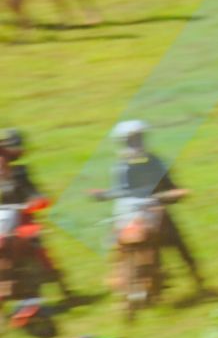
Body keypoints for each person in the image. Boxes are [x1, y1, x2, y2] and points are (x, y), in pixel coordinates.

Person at [95, 120, 205, 294]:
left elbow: (170, 185)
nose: (135, 143)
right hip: (128, 212)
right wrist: (103, 194)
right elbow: (118, 190)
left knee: (176, 239)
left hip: (153, 208)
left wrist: (174, 193)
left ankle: (197, 279)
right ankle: (119, 275)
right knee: (116, 241)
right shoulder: (120, 166)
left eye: (137, 139)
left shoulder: (154, 162)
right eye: (130, 140)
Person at [0, 130, 74, 299]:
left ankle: (61, 285)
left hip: (22, 218)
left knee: (36, 245)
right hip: (2, 221)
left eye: (3, 156)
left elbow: (33, 192)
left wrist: (35, 200)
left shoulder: (20, 173)